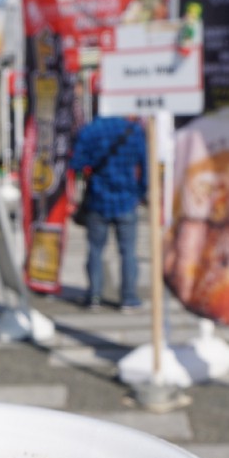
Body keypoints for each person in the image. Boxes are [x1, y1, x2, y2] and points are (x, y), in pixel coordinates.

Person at [69, 114, 146, 311]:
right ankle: (128, 298)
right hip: (127, 198)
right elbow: (145, 166)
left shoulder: (90, 130)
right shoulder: (134, 130)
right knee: (128, 252)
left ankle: (94, 296)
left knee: (95, 250)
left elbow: (76, 163)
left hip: (98, 198)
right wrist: (140, 192)